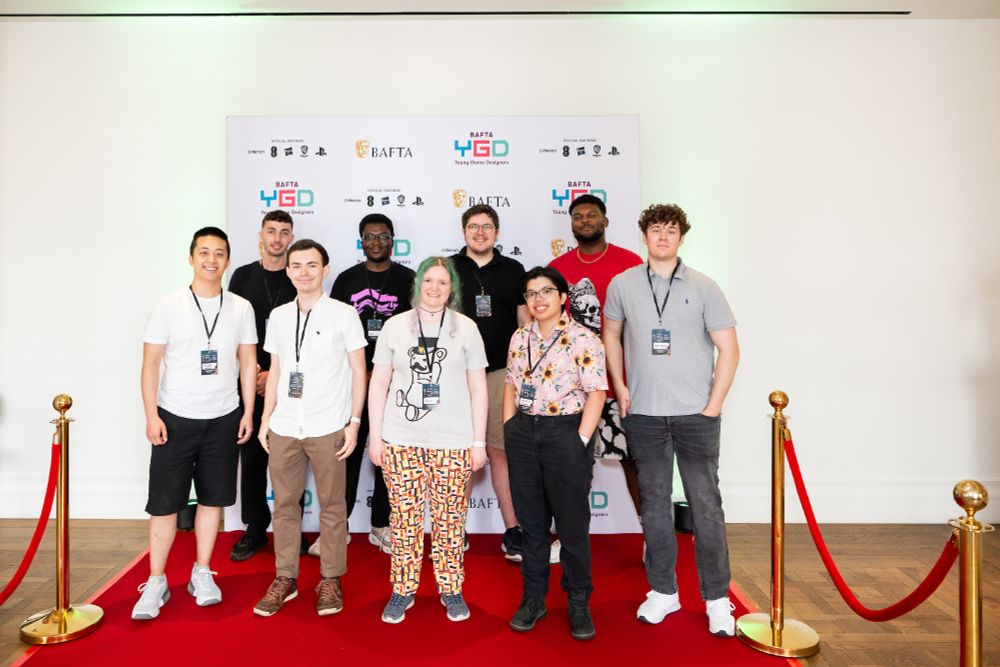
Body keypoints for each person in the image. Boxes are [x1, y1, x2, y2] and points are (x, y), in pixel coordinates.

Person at [602, 204, 740, 637]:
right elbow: (610, 333)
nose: (663, 236)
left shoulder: (704, 286)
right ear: (644, 236)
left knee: (706, 508)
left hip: (696, 415)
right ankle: (664, 591)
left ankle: (717, 599)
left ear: (682, 238)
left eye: (671, 230)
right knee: (655, 508)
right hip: (644, 413)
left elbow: (730, 350)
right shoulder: (622, 283)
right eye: (655, 229)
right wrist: (620, 387)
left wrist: (713, 405)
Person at [133, 226, 257, 620]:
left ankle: (201, 572)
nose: (211, 260)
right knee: (165, 504)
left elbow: (249, 362)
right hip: (174, 417)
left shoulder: (240, 307)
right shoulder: (168, 305)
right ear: (191, 257)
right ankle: (156, 582)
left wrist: (248, 413)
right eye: (203, 252)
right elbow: (150, 363)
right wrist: (151, 414)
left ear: (227, 259)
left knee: (212, 501)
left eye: (219, 253)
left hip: (223, 417)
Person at [367, 256, 488, 624]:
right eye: (429, 281)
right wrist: (376, 437)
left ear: (452, 289)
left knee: (450, 520)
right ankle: (403, 590)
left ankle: (450, 588)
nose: (435, 289)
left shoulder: (465, 328)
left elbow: (478, 388)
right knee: (403, 520)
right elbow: (379, 384)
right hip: (401, 439)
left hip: (453, 441)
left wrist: (478, 443)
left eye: (442, 282)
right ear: (418, 283)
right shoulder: (395, 326)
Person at [253, 239, 367, 617]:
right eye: (296, 265)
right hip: (285, 426)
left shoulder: (344, 314)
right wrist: (266, 418)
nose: (304, 272)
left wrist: (353, 423)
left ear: (325, 268)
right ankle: (285, 577)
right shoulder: (280, 315)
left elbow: (358, 372)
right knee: (285, 506)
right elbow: (277, 370)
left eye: (311, 265)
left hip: (328, 425)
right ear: (287, 271)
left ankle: (331, 578)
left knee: (333, 508)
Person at [503, 266, 607, 640]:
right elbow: (511, 386)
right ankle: (533, 599)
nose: (539, 299)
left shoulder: (583, 338)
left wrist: (580, 439)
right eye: (531, 294)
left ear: (563, 296)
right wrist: (509, 427)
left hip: (566, 432)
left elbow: (597, 392)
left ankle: (578, 601)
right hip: (523, 433)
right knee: (531, 525)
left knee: (572, 527)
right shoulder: (519, 337)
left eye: (547, 291)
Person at [549, 194, 643, 559]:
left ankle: (651, 533)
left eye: (591, 215)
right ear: (570, 223)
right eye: (577, 216)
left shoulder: (630, 263)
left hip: (622, 379)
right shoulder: (557, 267)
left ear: (605, 221)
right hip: (574, 387)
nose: (584, 220)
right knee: (571, 464)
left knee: (636, 461)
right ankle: (565, 536)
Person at [330, 213, 415, 555]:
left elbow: (417, 331)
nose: (376, 242)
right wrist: (358, 371)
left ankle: (382, 524)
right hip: (350, 384)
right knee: (345, 456)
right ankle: (339, 528)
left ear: (393, 240)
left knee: (387, 457)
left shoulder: (409, 278)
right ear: (361, 241)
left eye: (382, 236)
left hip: (393, 384)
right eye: (369, 237)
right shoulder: (346, 280)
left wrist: (386, 372)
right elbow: (333, 331)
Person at [450, 204, 528, 561]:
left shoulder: (513, 270)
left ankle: (513, 530)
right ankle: (454, 530)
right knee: (459, 454)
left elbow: (525, 325)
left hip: (500, 373)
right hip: (455, 374)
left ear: (497, 232)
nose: (479, 232)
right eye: (473, 226)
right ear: (464, 231)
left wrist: (522, 372)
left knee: (499, 453)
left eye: (486, 227)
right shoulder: (448, 268)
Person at [227, 210, 296, 561]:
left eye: (284, 232)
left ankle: (289, 530)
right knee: (252, 457)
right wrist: (253, 372)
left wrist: (275, 375)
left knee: (289, 462)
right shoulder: (242, 276)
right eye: (272, 231)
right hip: (248, 379)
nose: (278, 239)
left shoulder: (298, 274)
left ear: (291, 238)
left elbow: (304, 333)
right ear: (261, 235)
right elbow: (232, 329)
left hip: (289, 382)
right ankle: (254, 529)